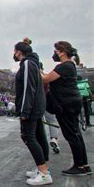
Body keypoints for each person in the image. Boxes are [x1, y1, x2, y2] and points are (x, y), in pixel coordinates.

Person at [41, 41, 90, 176]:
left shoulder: (64, 66)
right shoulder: (70, 65)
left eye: (56, 51)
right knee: (76, 134)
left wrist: (36, 68)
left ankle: (79, 166)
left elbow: (46, 79)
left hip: (65, 104)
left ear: (62, 51)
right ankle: (83, 165)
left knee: (71, 135)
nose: (54, 53)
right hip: (72, 102)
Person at [13, 38, 52, 185]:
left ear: (19, 52)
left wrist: (24, 111)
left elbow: (27, 89)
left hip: (31, 108)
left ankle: (43, 173)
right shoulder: (32, 62)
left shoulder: (28, 63)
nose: (14, 54)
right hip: (36, 106)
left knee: (28, 137)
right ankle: (43, 168)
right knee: (39, 136)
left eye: (15, 51)